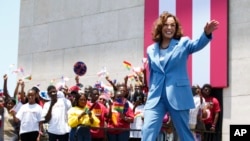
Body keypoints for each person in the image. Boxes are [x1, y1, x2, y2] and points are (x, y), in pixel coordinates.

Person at [141, 11, 219, 141]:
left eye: (173, 25)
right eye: (166, 25)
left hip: (177, 95)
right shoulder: (151, 49)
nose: (169, 28)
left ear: (176, 28)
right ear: (160, 27)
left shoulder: (183, 43)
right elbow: (153, 75)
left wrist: (206, 33)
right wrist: (150, 93)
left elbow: (197, 44)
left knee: (184, 133)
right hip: (156, 98)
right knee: (147, 130)